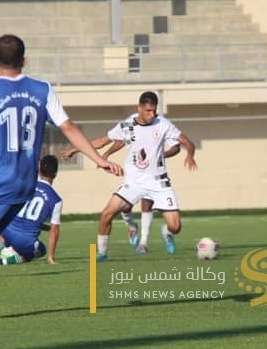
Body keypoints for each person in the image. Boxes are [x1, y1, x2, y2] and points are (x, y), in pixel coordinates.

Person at [0, 34, 121, 320]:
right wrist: (99, 159)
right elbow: (69, 127)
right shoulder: (42, 89)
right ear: (24, 59)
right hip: (26, 185)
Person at [64, 91, 197, 261]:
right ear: (139, 108)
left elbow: (188, 143)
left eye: (154, 110)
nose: (152, 114)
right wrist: (75, 149)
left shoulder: (163, 124)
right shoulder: (127, 125)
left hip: (158, 183)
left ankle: (166, 232)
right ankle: (102, 253)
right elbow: (103, 141)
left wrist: (190, 155)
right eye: (148, 110)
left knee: (175, 227)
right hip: (134, 183)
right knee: (106, 214)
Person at [100, 140, 181, 255]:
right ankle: (132, 227)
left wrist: (161, 155)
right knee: (124, 207)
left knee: (147, 206)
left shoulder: (160, 129)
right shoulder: (131, 130)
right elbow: (120, 139)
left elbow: (177, 146)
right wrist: (107, 154)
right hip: (133, 177)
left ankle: (144, 243)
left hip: (153, 177)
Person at [0, 154, 62, 266]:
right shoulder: (56, 200)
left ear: (39, 171)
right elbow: (54, 231)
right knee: (40, 250)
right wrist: (50, 257)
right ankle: (2, 262)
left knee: (8, 231)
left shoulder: (26, 185)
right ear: (55, 174)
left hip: (7, 231)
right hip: (24, 242)